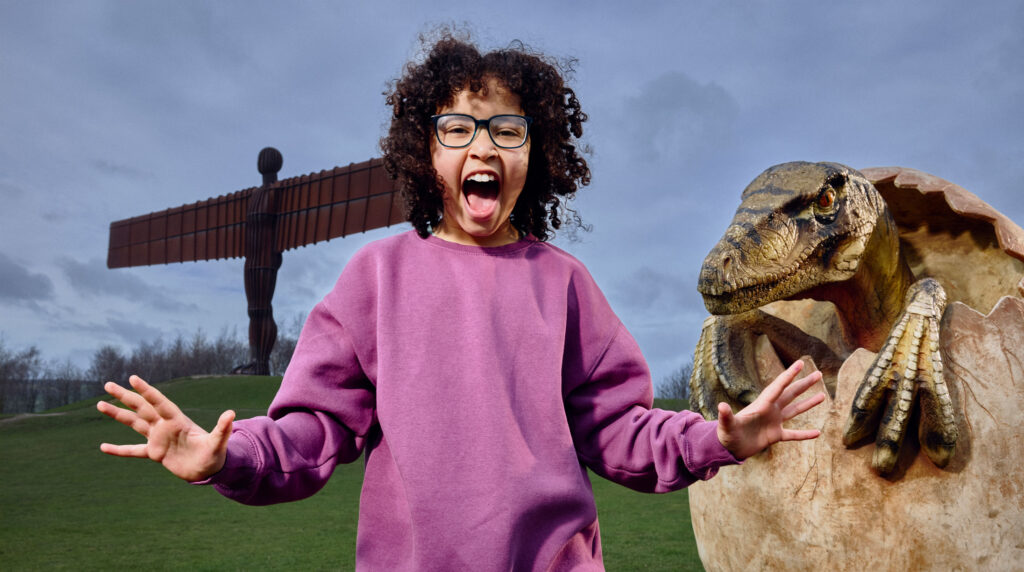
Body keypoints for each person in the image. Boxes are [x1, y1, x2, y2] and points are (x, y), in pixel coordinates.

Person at [97, 32, 825, 571]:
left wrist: (715, 440)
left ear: (536, 154)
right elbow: (311, 431)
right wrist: (225, 459)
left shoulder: (565, 285)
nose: (484, 146)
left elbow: (620, 429)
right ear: (427, 153)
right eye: (458, 130)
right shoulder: (375, 278)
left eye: (507, 130)